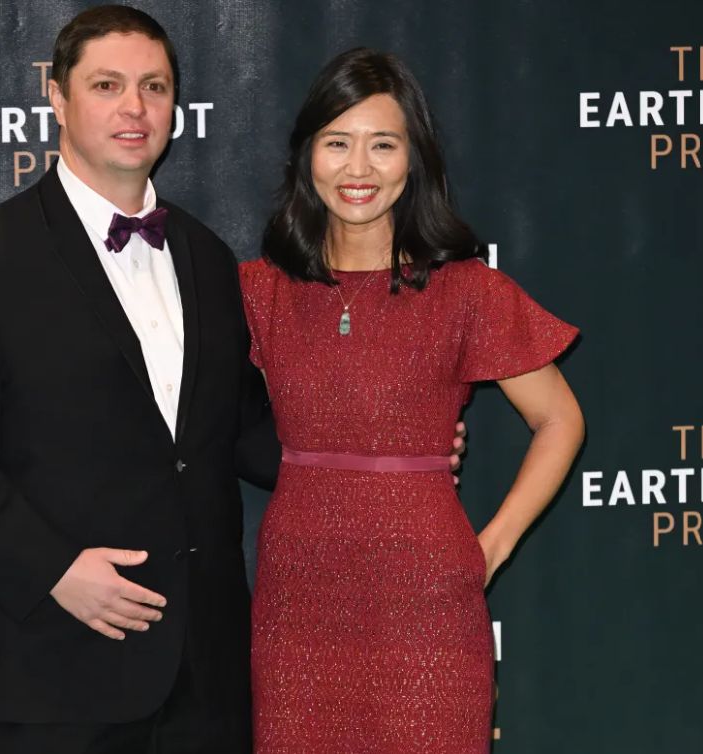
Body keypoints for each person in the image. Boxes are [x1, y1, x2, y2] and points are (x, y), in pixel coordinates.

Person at [0, 6, 284, 753]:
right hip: (51, 667)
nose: (134, 108)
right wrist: (53, 572)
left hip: (206, 670)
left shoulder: (205, 256)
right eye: (107, 84)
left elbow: (238, 432)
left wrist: (389, 438)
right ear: (57, 97)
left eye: (154, 86)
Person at [239, 48, 585, 753]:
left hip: (427, 602)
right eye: (337, 143)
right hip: (296, 603)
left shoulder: (467, 293)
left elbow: (559, 419)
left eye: (382, 144)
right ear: (306, 156)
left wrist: (490, 546)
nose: (357, 168)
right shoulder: (259, 290)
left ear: (413, 159)